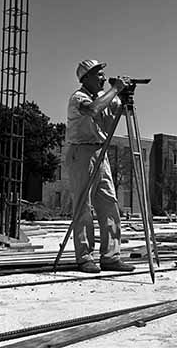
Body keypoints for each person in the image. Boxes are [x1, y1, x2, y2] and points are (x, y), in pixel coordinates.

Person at [65, 59, 135, 274]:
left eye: (104, 74)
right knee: (83, 206)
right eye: (99, 74)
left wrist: (126, 96)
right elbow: (94, 110)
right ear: (86, 78)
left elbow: (124, 111)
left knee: (109, 204)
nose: (103, 78)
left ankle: (111, 256)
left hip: (101, 152)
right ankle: (84, 257)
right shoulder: (79, 98)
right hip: (82, 152)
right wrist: (115, 88)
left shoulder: (103, 97)